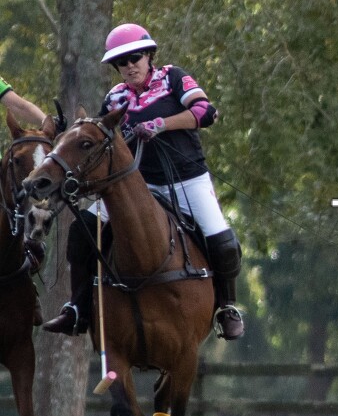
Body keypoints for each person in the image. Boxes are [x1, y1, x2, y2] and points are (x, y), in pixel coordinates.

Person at [42, 23, 245, 340]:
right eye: (120, 62)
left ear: (149, 55)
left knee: (223, 240)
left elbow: (207, 112)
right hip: (138, 186)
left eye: (134, 57)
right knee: (83, 228)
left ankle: (226, 307)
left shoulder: (173, 78)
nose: (129, 66)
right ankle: (78, 308)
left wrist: (161, 123)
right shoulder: (115, 97)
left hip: (188, 180)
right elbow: (97, 136)